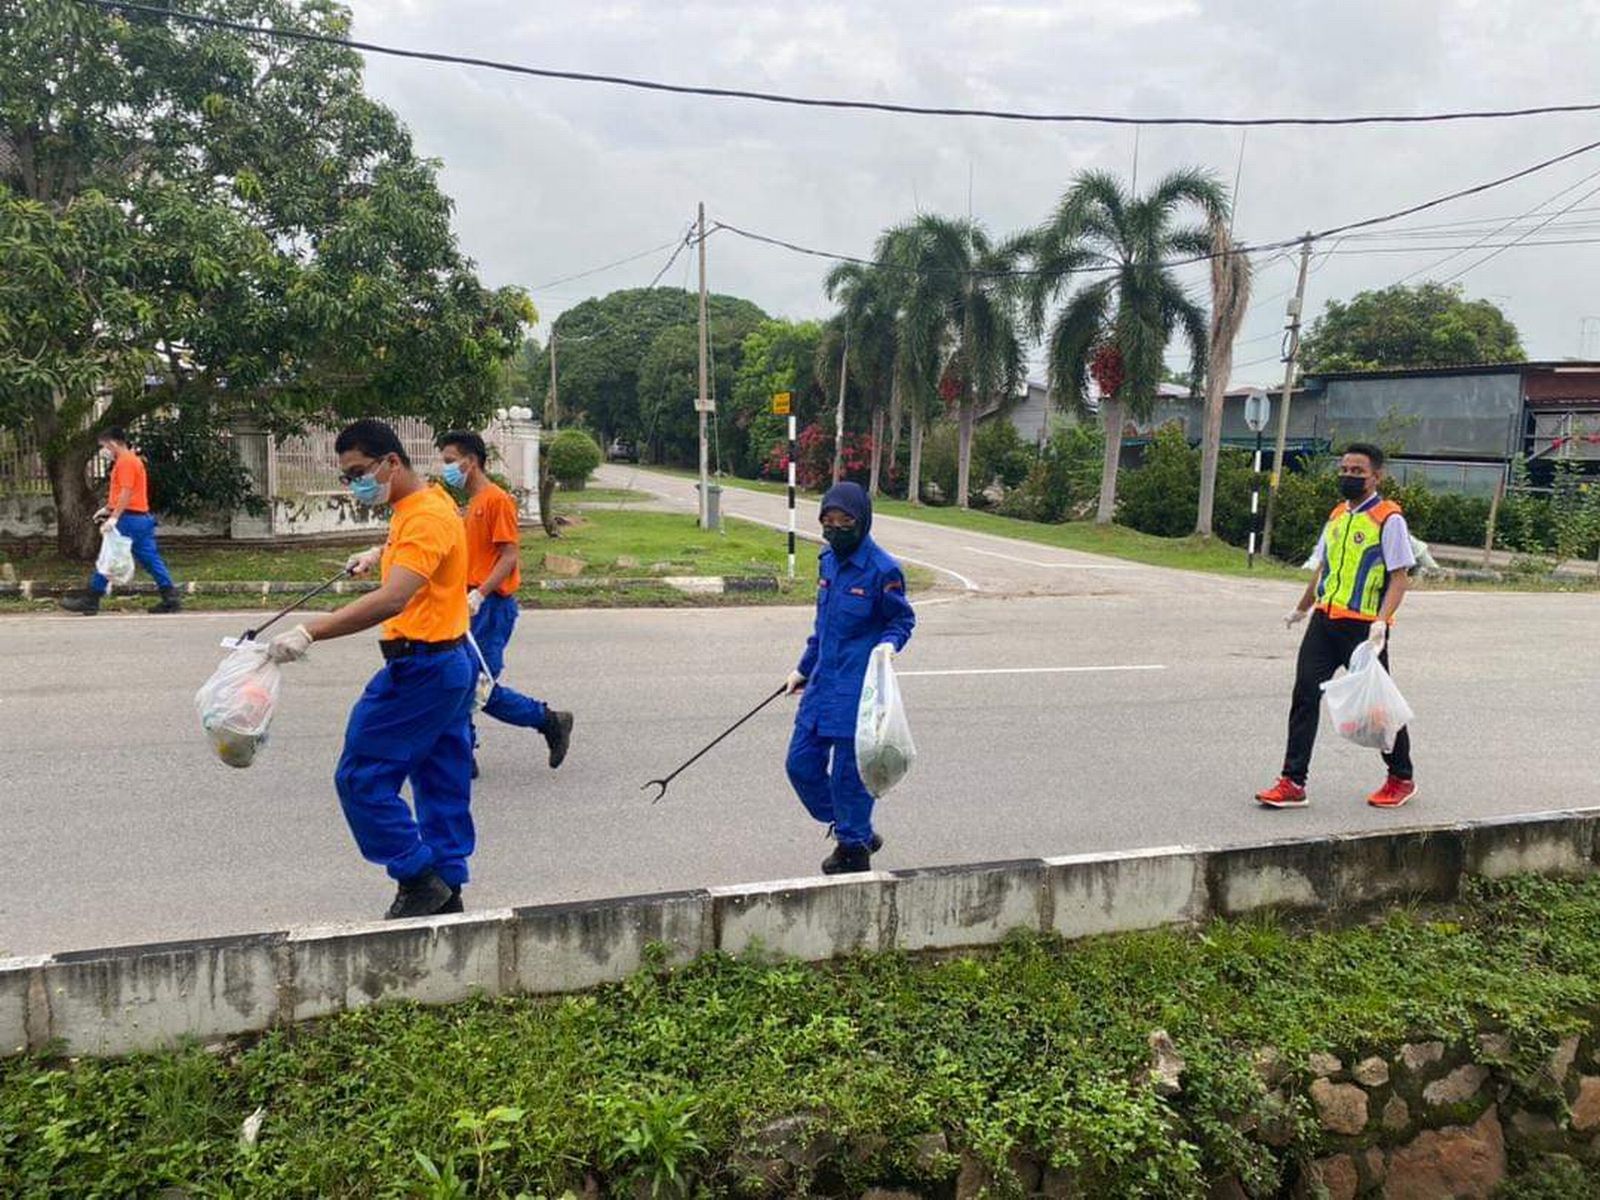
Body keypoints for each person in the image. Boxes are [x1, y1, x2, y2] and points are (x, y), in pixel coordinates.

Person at [265, 419, 476, 919]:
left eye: (359, 471)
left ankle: (418, 877)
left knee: (361, 778)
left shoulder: (423, 516)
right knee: (441, 780)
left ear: (391, 463)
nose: (354, 483)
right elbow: (424, 547)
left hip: (420, 669)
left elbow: (394, 598)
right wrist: (380, 552)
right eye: (347, 476)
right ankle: (448, 887)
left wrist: (311, 630)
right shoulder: (425, 501)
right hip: (448, 665)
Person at [1257, 443, 1418, 811]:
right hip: (1325, 621)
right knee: (1304, 696)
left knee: (1378, 707)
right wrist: (1301, 609)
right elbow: (1323, 568)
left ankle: (1401, 777)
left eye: (1357, 471)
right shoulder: (1337, 516)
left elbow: (1399, 577)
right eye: (1344, 469)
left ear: (1376, 476)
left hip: (1363, 629)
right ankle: (1293, 781)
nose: (1348, 476)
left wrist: (1382, 621)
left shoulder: (1388, 519)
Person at [784, 481, 915, 874]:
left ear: (863, 521)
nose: (836, 528)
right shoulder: (826, 562)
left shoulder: (883, 569)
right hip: (823, 684)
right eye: (828, 521)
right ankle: (853, 827)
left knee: (848, 777)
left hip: (859, 691)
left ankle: (853, 850)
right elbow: (822, 628)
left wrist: (889, 645)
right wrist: (803, 668)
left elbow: (901, 619)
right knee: (800, 765)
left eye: (845, 522)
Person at [436, 430, 573, 775]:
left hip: (491, 606)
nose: (446, 468)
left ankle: (547, 721)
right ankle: (465, 752)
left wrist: (480, 594)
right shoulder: (474, 502)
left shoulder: (496, 500)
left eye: (450, 461)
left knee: (476, 686)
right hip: (471, 604)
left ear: (471, 460)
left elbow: (509, 556)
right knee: (464, 682)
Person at [59, 427, 182, 615]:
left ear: (113, 443)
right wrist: (108, 509)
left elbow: (126, 492)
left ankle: (92, 599)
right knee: (150, 559)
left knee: (109, 557)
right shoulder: (130, 461)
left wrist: (114, 517)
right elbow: (125, 493)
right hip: (141, 518)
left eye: (104, 445)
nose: (104, 450)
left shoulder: (125, 462)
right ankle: (170, 596)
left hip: (128, 519)